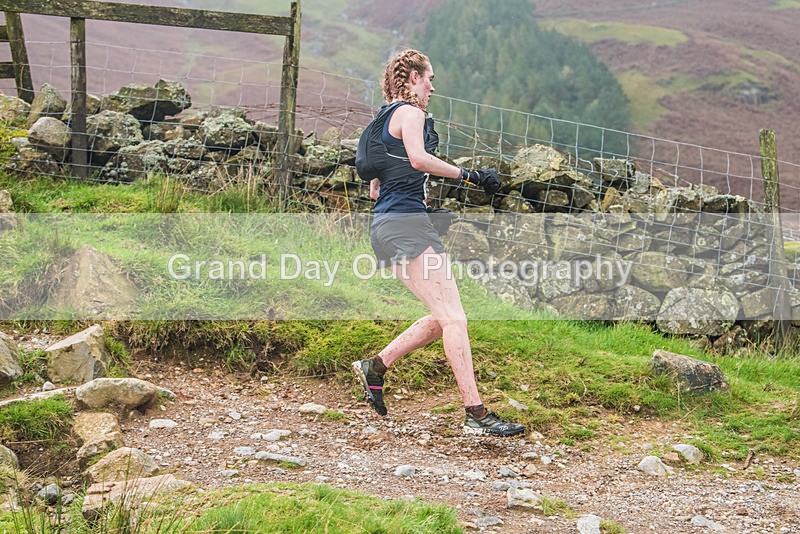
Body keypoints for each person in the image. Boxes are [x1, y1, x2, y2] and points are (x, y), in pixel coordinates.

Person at [352, 49, 525, 437]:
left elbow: (374, 181)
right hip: (406, 225)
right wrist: (471, 176)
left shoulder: (380, 120)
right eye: (429, 78)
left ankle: (375, 367)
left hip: (385, 228)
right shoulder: (411, 114)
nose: (433, 86)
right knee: (455, 319)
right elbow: (417, 159)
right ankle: (476, 414)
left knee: (440, 317)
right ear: (413, 77)